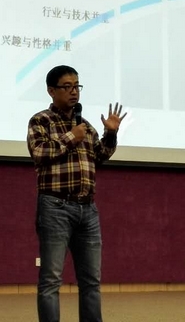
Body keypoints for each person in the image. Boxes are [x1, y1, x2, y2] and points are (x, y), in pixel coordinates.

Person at [27, 65, 126, 322]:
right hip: (55, 207)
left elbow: (101, 155)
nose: (74, 92)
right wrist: (72, 136)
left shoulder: (86, 126)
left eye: (77, 86)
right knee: (51, 279)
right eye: (67, 86)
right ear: (51, 91)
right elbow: (39, 153)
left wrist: (111, 133)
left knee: (91, 280)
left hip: (88, 209)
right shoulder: (41, 121)